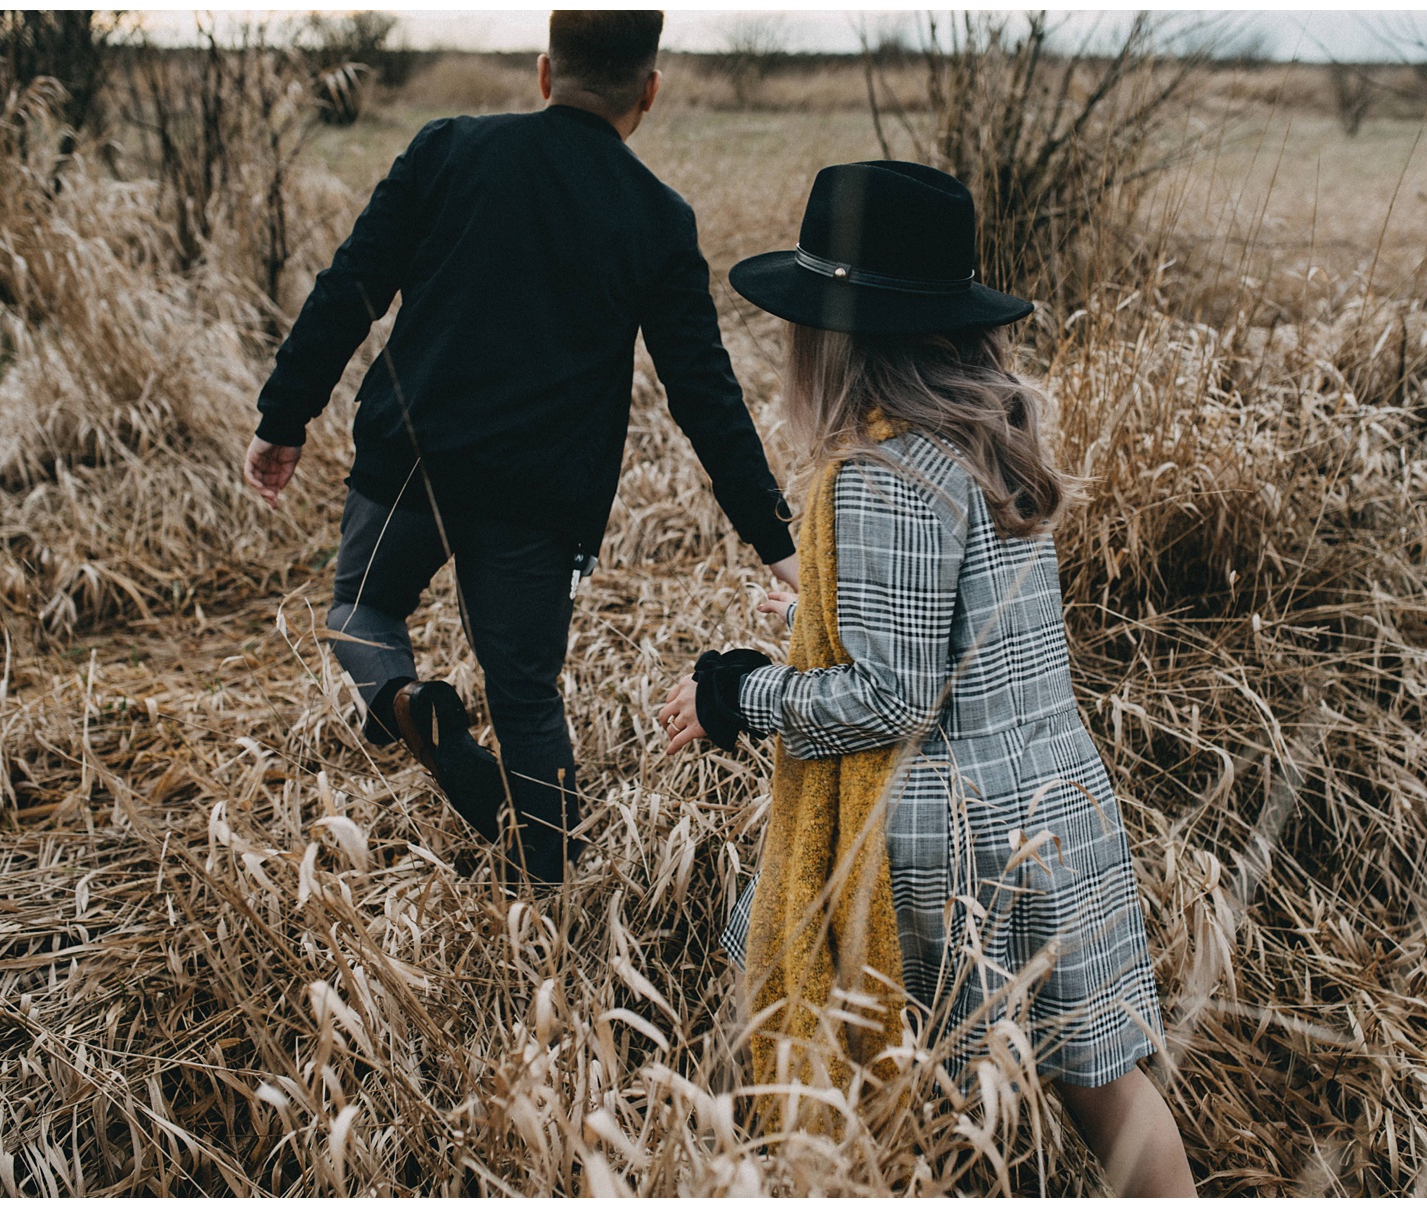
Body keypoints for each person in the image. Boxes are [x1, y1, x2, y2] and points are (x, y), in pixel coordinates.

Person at [657, 161, 1198, 1195]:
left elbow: (892, 700)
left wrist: (739, 692)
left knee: (910, 1093)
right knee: (1100, 1070)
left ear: (839, 335)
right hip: (1054, 797)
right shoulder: (992, 433)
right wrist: (814, 615)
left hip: (952, 840)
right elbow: (971, 631)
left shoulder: (885, 475)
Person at [244, 11, 798, 885]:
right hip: (539, 499)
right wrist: (776, 539)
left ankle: (406, 704)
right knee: (527, 697)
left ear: (546, 73)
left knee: (362, 612)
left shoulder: (447, 150)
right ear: (649, 92)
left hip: (412, 462)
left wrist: (284, 415)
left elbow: (351, 287)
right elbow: (706, 394)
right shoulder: (657, 216)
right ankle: (552, 892)